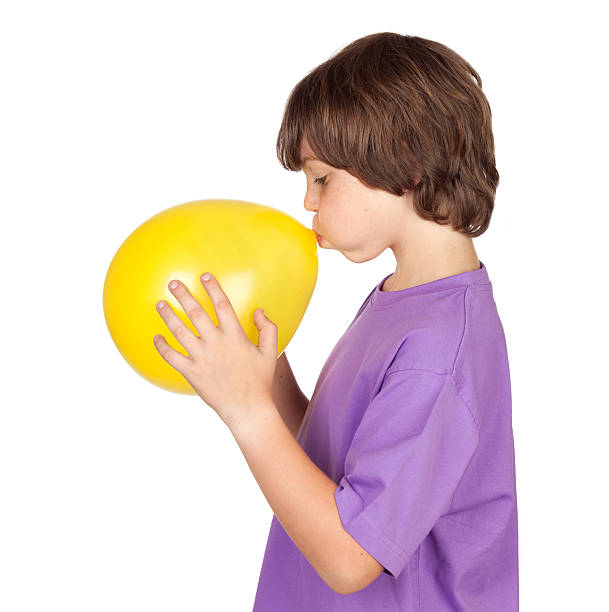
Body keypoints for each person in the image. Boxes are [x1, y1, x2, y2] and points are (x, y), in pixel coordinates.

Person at [253, 32, 518, 610]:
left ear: (406, 161)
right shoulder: (407, 300)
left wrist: (243, 410)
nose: (308, 202)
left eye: (322, 178)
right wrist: (264, 373)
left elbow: (352, 555)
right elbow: (338, 466)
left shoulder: (437, 348)